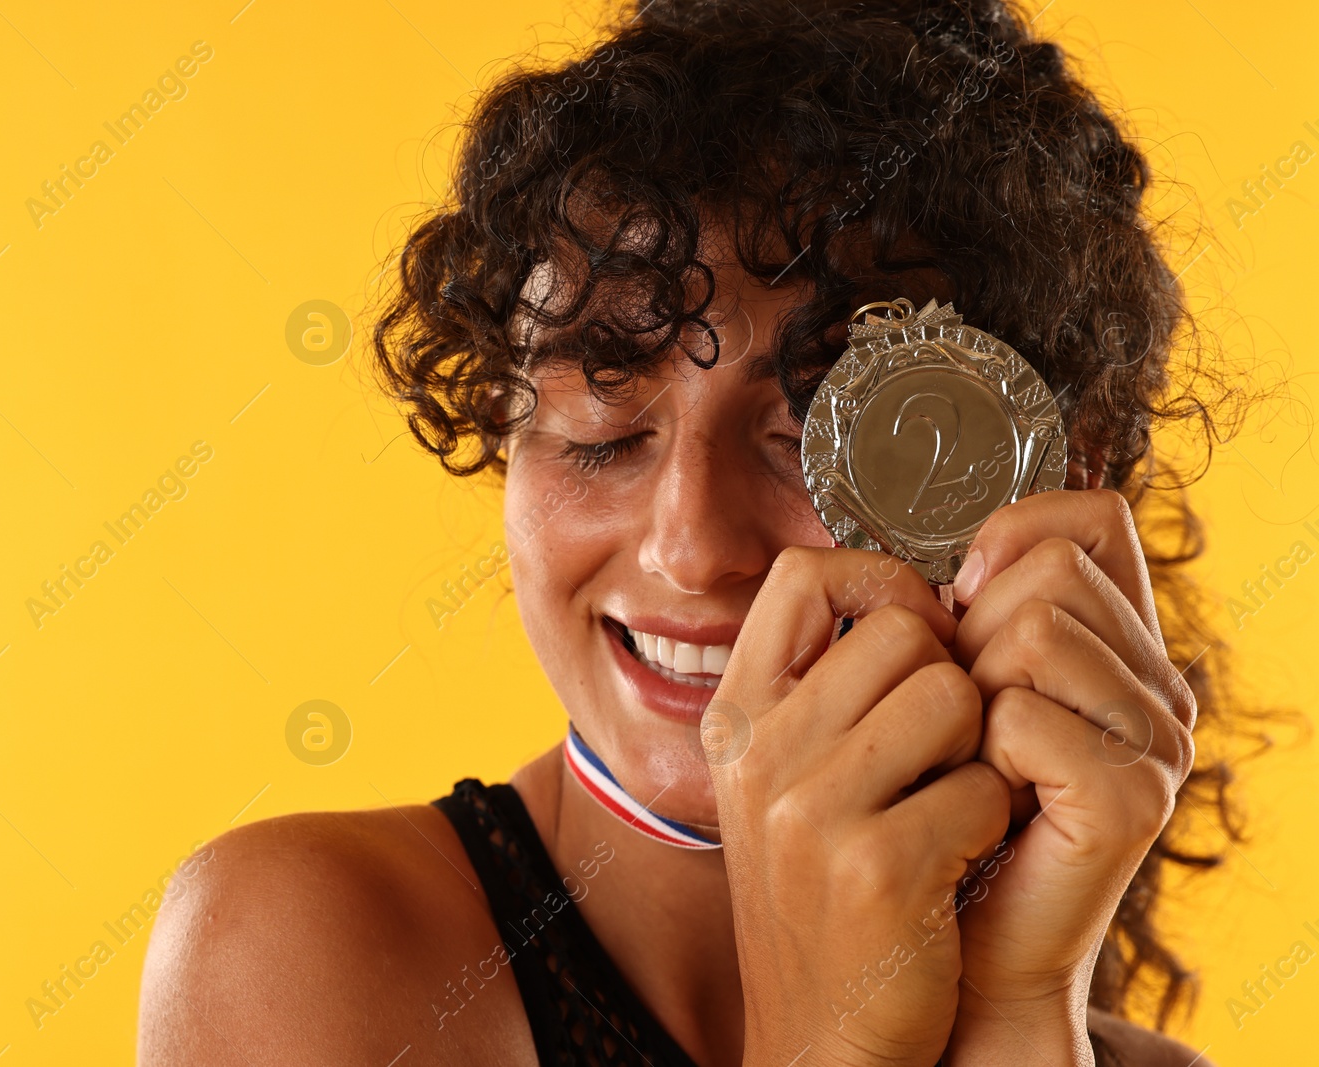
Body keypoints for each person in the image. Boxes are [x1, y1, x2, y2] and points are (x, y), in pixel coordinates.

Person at [139, 1, 1244, 1062]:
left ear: (1057, 468)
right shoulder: (298, 946)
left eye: (814, 430)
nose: (689, 546)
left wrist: (1013, 1013)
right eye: (603, 425)